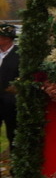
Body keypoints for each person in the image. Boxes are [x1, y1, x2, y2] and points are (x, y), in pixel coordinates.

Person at [0, 24, 19, 155]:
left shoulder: (19, 54)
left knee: (13, 134)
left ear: (7, 38)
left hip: (10, 101)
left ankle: (15, 168)